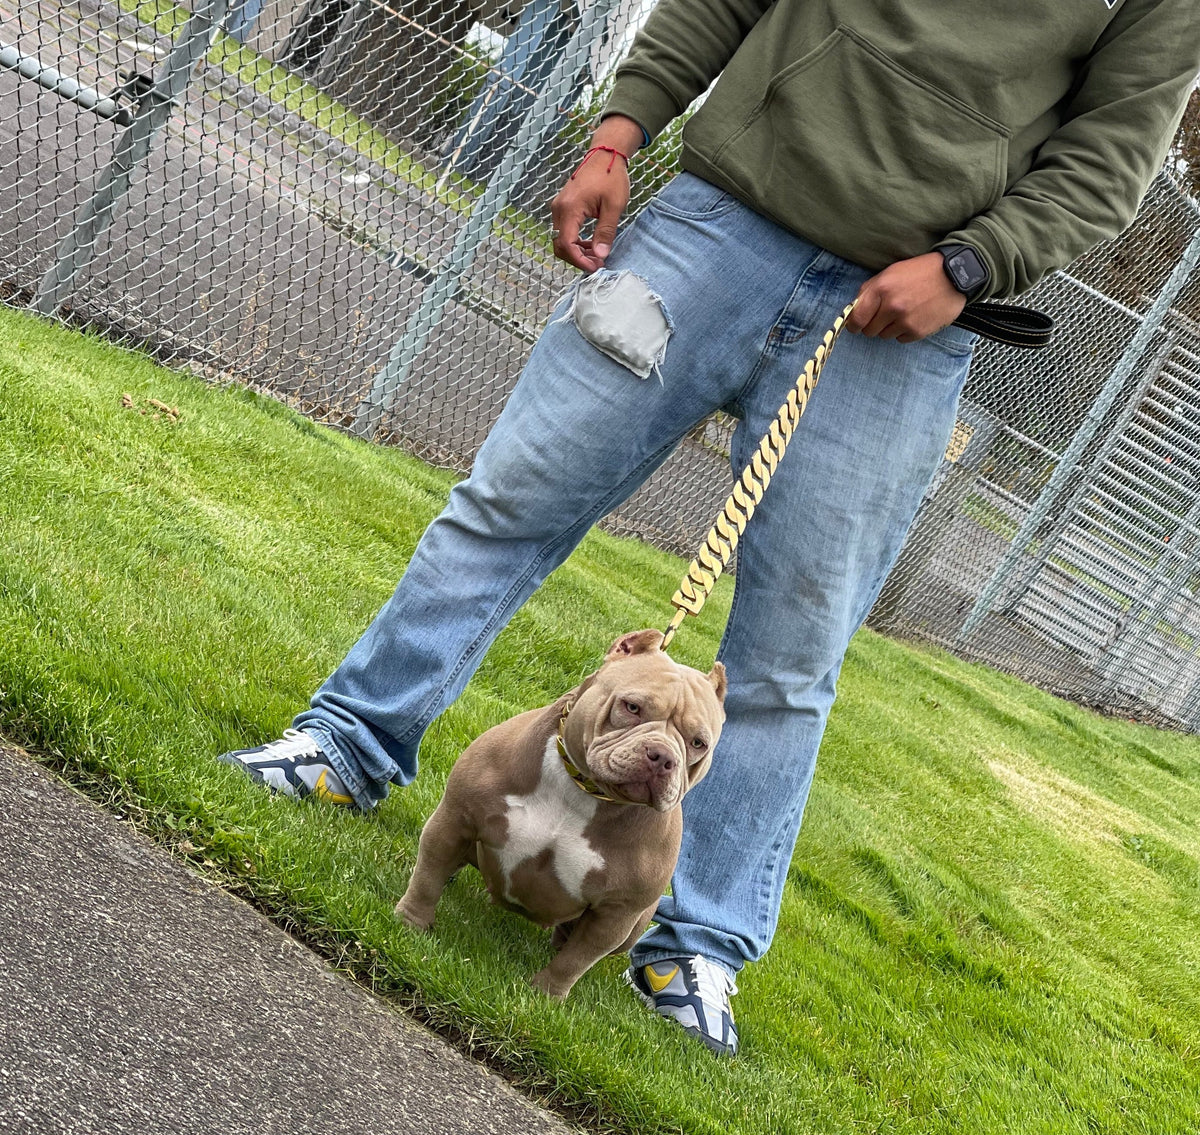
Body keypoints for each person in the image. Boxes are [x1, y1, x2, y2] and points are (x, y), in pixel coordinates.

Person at [223, 0, 1200, 1056]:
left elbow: (1111, 153)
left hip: (906, 316)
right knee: (509, 506)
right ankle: (349, 743)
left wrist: (971, 265)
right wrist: (618, 132)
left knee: (789, 657)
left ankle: (694, 941)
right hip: (714, 224)